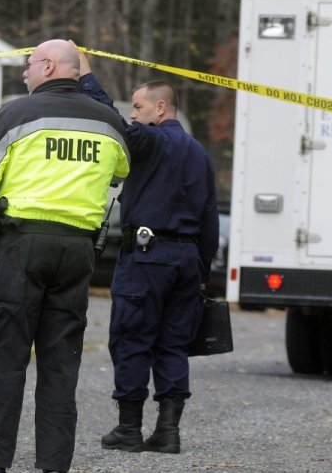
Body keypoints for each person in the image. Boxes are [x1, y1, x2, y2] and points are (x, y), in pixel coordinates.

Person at [0, 39, 130, 473]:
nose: (24, 73)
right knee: (60, 367)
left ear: (48, 65)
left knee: (4, 360)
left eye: (27, 65)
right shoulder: (109, 121)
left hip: (21, 244)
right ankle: (54, 466)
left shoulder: (17, 114)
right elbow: (121, 170)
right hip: (78, 250)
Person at [77, 49, 218, 454]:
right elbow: (209, 219)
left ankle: (129, 429)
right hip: (187, 261)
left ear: (161, 108)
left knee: (132, 338)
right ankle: (168, 432)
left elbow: (111, 120)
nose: (134, 115)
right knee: (173, 345)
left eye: (139, 107)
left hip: (148, 256)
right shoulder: (201, 154)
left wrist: (87, 75)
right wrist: (201, 269)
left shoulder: (151, 142)